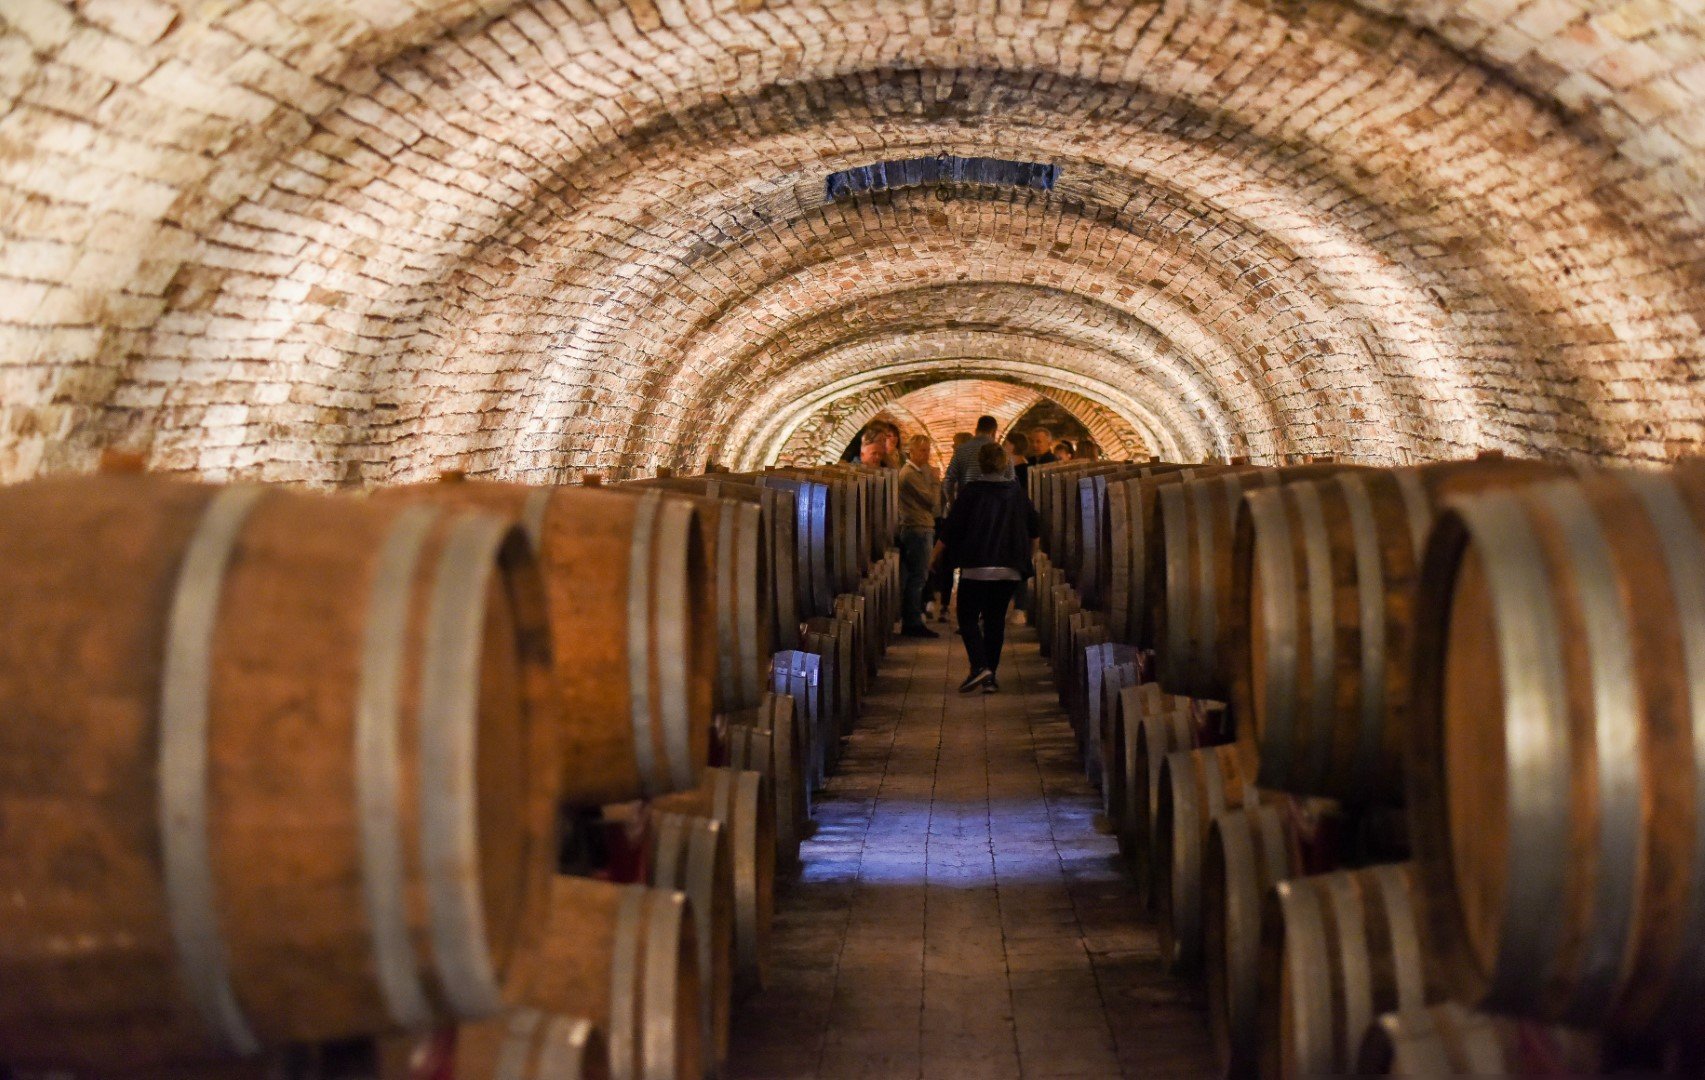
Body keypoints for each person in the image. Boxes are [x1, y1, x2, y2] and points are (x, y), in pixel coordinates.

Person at [935, 441, 1039, 693]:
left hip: (977, 567)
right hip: (1009, 568)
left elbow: (950, 529)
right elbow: (1035, 528)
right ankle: (990, 678)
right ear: (1004, 464)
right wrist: (1027, 557)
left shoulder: (971, 492)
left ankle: (980, 666)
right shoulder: (1016, 493)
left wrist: (934, 555)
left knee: (967, 618)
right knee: (995, 622)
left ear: (980, 464)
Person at [897, 434, 942, 638]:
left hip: (921, 527)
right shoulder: (909, 474)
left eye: (928, 450)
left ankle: (914, 620)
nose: (927, 455)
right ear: (911, 452)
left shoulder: (916, 472)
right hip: (917, 528)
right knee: (918, 577)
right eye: (923, 450)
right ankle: (913, 623)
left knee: (918, 576)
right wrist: (935, 481)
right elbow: (932, 501)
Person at [943, 414, 999, 505]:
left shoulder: (962, 451)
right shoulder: (998, 452)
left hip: (966, 503)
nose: (952, 446)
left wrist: (953, 504)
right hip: (989, 504)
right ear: (994, 432)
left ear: (976, 430)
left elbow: (948, 480)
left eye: (955, 443)